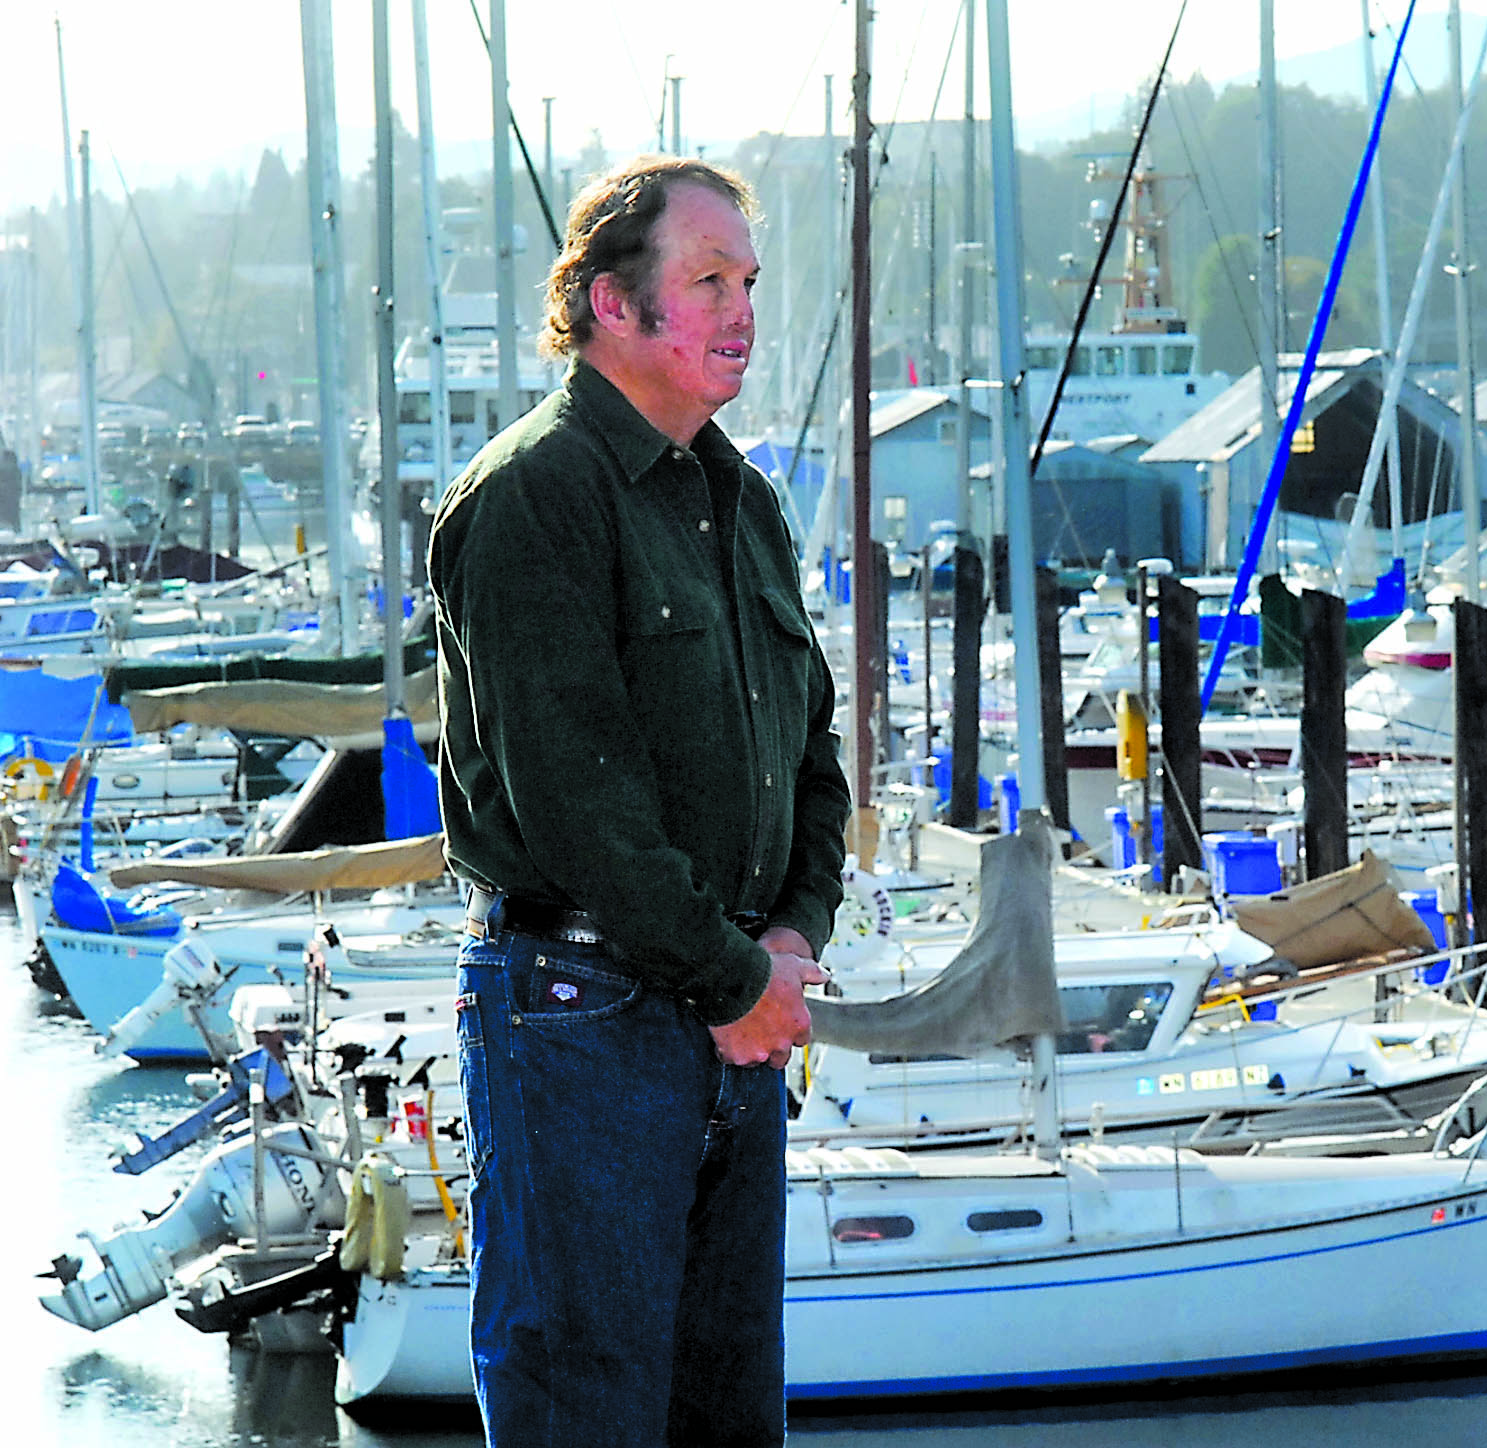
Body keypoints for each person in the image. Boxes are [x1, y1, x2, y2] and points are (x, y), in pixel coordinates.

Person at [429, 154, 849, 1448]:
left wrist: (792, 934)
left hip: (730, 1017)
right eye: (709, 280)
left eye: (749, 282)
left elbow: (811, 750)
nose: (743, 312)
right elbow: (576, 804)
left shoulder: (740, 499)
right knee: (587, 1415)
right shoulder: (532, 497)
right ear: (612, 303)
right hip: (583, 1022)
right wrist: (735, 981)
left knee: (729, 1421)